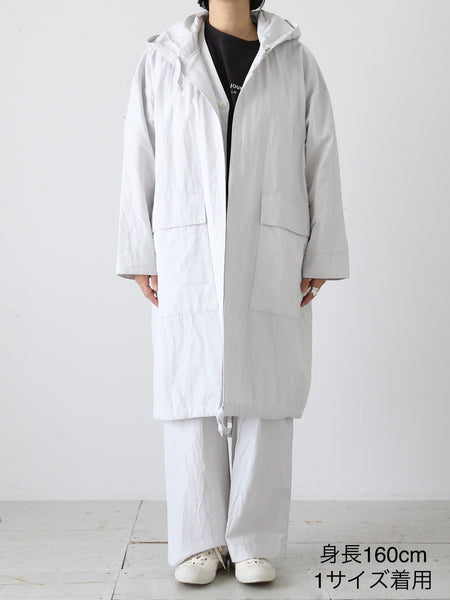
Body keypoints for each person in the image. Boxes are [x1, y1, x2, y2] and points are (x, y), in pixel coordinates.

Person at [116, 0, 350, 587]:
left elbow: (320, 155)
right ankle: (199, 539)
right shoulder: (162, 59)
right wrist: (139, 250)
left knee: (267, 390)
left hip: (271, 240)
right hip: (186, 243)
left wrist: (322, 250)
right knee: (189, 389)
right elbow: (139, 153)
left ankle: (254, 540)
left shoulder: (294, 60)